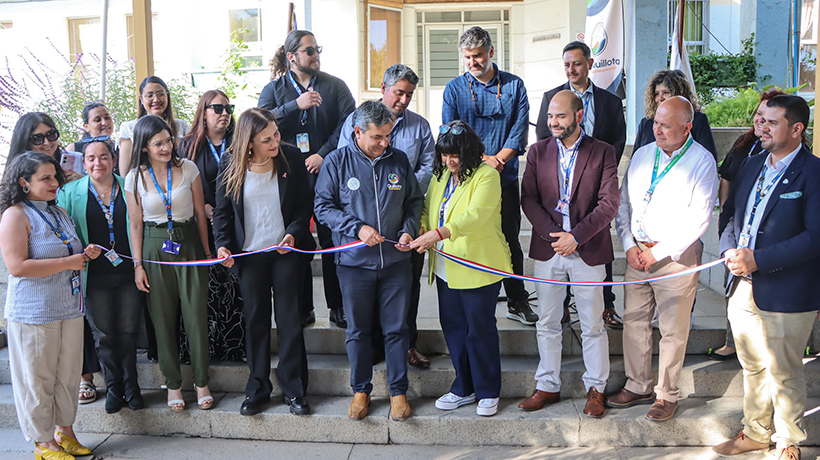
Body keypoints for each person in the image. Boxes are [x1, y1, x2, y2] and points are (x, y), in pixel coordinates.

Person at [711, 95, 820, 460]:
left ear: (796, 129)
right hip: (742, 287)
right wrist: (729, 250)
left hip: (788, 290)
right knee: (753, 366)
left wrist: (759, 259)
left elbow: (815, 237)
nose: (762, 127)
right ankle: (756, 432)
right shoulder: (752, 163)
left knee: (785, 371)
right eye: (762, 120)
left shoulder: (814, 172)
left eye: (772, 122)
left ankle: (789, 441)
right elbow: (732, 215)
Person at [607, 96, 718, 421]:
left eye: (666, 125)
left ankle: (667, 395)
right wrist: (628, 245)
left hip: (676, 258)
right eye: (655, 123)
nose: (657, 130)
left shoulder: (701, 161)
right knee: (635, 322)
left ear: (687, 127)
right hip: (637, 253)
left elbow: (698, 221)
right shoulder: (643, 155)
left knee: (672, 329)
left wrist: (656, 252)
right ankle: (638, 384)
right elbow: (623, 204)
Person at [314, 101, 423, 421]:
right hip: (353, 264)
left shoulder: (399, 160)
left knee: (396, 330)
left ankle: (398, 393)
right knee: (358, 331)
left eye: (388, 136)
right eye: (378, 136)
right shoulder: (336, 162)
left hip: (395, 263)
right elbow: (323, 207)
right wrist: (356, 229)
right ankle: (361, 390)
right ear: (358, 132)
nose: (385, 142)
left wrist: (408, 230)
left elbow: (414, 201)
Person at [519, 91, 619, 417]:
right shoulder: (538, 152)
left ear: (578, 116)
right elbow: (529, 200)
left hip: (588, 249)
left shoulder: (602, 152)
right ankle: (547, 384)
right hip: (549, 250)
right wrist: (555, 237)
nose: (553, 122)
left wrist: (576, 237)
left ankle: (596, 389)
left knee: (592, 324)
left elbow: (609, 204)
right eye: (550, 116)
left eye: (560, 116)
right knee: (548, 322)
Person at [0, 151, 102, 460]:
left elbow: (65, 249)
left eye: (55, 176)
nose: (54, 182)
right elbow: (17, 266)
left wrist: (84, 253)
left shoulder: (58, 212)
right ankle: (43, 443)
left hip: (68, 308)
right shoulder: (16, 214)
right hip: (34, 313)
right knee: (37, 379)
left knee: (68, 376)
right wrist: (70, 261)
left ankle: (65, 432)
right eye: (45, 178)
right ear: (24, 182)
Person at [213, 108, 313, 416]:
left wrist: (294, 234)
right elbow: (222, 212)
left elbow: (303, 206)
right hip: (249, 256)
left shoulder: (291, 158)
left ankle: (294, 388)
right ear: (249, 142)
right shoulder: (230, 163)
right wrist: (223, 246)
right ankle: (257, 388)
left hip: (285, 252)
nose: (275, 143)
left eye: (276, 135)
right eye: (266, 139)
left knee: (290, 321)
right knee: (255, 322)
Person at [408, 120, 511, 417]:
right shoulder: (441, 175)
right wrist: (422, 231)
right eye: (444, 155)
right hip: (445, 267)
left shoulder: (487, 175)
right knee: (453, 329)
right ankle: (463, 386)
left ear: (469, 152)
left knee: (479, 330)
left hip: (478, 265)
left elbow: (475, 216)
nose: (449, 161)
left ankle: (489, 390)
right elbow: (429, 208)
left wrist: (437, 234)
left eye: (455, 156)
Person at [338, 64, 435, 368]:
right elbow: (345, 165)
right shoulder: (357, 121)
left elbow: (428, 167)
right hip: (364, 225)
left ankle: (407, 345)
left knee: (407, 287)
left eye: (409, 94)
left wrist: (401, 192)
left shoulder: (419, 126)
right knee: (369, 296)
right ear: (383, 88)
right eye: (399, 92)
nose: (404, 100)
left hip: (405, 218)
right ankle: (377, 348)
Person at [258, 29, 355, 328]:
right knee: (297, 241)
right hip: (288, 176)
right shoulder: (274, 89)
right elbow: (259, 122)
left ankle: (337, 306)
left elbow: (349, 123)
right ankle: (303, 308)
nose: (316, 56)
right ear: (291, 57)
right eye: (310, 51)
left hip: (328, 173)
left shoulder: (335, 86)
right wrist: (294, 106)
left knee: (330, 240)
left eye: (317, 50)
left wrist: (324, 153)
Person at [442, 26, 535, 326]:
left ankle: (517, 298)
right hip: (467, 180)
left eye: (478, 55)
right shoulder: (454, 89)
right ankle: (478, 292)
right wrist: (485, 161)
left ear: (491, 52)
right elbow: (450, 132)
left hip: (505, 177)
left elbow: (519, 130)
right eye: (468, 57)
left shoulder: (514, 85)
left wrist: (498, 161)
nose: (473, 62)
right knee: (471, 235)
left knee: (509, 238)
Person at [534, 40, 628, 330]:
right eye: (566, 64)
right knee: (558, 258)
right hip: (560, 186)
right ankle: (561, 306)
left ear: (589, 63)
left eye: (576, 63)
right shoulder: (552, 97)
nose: (571, 69)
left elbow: (617, 141)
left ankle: (607, 304)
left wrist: (598, 170)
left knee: (597, 244)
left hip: (594, 185)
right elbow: (542, 136)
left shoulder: (610, 101)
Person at [123, 115, 212, 412]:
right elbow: (134, 224)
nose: (165, 147)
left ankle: (202, 381)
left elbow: (201, 214)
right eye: (157, 143)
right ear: (144, 147)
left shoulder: (188, 168)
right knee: (162, 319)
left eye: (168, 140)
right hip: (153, 245)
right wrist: (138, 265)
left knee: (196, 316)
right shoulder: (133, 177)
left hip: (188, 243)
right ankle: (173, 383)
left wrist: (207, 253)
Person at [57, 140, 145, 414]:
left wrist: (139, 264)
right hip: (93, 275)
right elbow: (62, 235)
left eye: (104, 157)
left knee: (129, 332)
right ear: (83, 163)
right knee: (104, 335)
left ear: (114, 159)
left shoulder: (128, 187)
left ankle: (132, 387)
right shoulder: (70, 193)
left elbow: (138, 224)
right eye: (91, 158)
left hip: (127, 270)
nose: (98, 163)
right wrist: (81, 251)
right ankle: (114, 387)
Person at [709, 88, 786, 362]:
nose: (761, 122)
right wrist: (728, 236)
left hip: (772, 260)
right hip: (738, 235)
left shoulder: (805, 167)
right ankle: (733, 341)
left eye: (769, 119)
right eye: (759, 115)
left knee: (777, 366)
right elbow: (728, 178)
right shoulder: (745, 148)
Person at [180, 89, 245, 362]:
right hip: (200, 226)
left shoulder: (239, 142)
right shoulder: (187, 146)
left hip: (233, 225)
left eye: (228, 109)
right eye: (218, 109)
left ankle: (234, 347)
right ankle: (202, 349)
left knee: (234, 288)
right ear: (203, 111)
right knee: (203, 291)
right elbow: (177, 184)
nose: (225, 115)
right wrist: (203, 206)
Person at [633, 70, 717, 158]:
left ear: (679, 93)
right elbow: (636, 157)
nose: (660, 98)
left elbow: (708, 156)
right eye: (657, 94)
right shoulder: (646, 123)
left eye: (665, 93)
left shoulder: (697, 120)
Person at [118, 76, 191, 175]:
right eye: (150, 95)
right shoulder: (130, 129)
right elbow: (125, 174)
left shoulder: (181, 127)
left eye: (160, 94)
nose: (156, 99)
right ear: (141, 99)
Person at [8, 112, 83, 182]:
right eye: (37, 138)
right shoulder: (19, 170)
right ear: (26, 142)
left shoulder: (79, 159)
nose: (46, 142)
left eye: (51, 134)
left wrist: (84, 181)